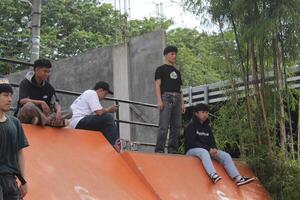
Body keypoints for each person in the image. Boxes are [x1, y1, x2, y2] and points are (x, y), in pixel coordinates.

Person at [184, 103, 255, 186]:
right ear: (196, 113)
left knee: (225, 155)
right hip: (191, 150)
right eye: (202, 112)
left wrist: (213, 149)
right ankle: (213, 175)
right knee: (204, 152)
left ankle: (238, 178)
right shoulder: (190, 126)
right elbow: (192, 143)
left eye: (206, 112)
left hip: (206, 150)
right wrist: (208, 149)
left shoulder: (207, 127)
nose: (205, 114)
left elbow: (212, 141)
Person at [16, 58, 71, 127]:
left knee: (70, 112)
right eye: (45, 71)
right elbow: (22, 101)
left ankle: (42, 121)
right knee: (29, 106)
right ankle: (51, 122)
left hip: (43, 116)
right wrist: (41, 102)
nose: (47, 74)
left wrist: (58, 112)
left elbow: (55, 102)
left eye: (48, 72)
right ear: (36, 70)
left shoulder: (48, 87)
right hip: (27, 116)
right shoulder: (25, 83)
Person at [69, 81, 120, 151]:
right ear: (100, 90)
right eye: (105, 94)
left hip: (75, 122)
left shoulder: (87, 94)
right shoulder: (92, 93)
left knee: (105, 125)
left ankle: (107, 146)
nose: (104, 97)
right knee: (108, 118)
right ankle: (114, 145)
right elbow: (99, 112)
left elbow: (98, 115)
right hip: (78, 121)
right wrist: (109, 109)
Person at [0, 76, 29, 199]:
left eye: (11, 96)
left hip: (11, 181)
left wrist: (23, 180)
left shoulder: (15, 123)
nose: (10, 99)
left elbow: (19, 153)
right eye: (6, 95)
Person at [154, 45, 185, 154]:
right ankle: (159, 149)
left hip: (177, 97)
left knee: (176, 126)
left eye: (175, 54)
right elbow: (157, 85)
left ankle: (173, 150)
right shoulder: (160, 69)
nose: (174, 56)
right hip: (166, 97)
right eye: (172, 54)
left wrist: (182, 104)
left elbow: (180, 89)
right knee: (164, 125)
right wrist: (159, 100)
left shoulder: (177, 72)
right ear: (166, 55)